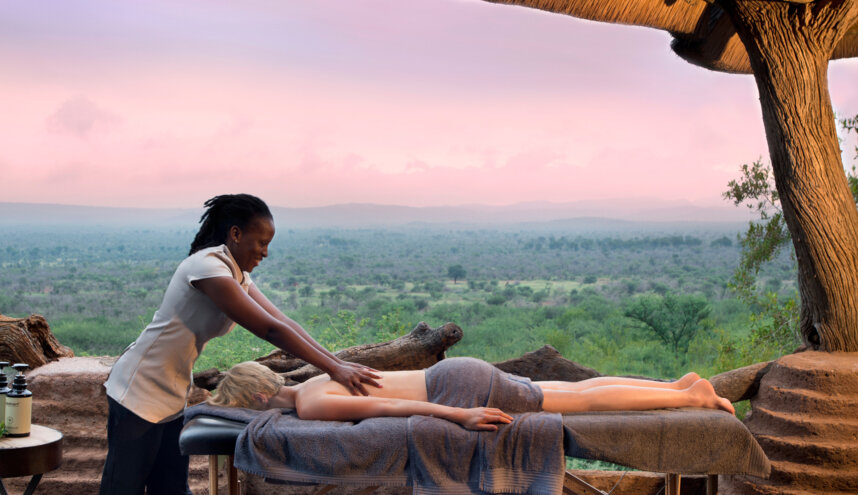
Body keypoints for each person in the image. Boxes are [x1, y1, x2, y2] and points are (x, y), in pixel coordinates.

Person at [100, 194, 380, 495]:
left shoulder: (236, 273)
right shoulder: (207, 267)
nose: (265, 253)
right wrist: (334, 369)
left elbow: (283, 322)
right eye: (261, 242)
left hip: (171, 391)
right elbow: (270, 330)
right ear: (235, 234)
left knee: (170, 488)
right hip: (139, 389)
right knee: (122, 487)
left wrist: (337, 364)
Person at [209, 358, 735, 432]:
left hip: (455, 387)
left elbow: (392, 406)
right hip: (454, 372)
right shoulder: (315, 379)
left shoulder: (310, 404)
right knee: (567, 389)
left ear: (256, 400)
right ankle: (678, 386)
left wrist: (457, 415)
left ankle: (694, 400)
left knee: (578, 402)